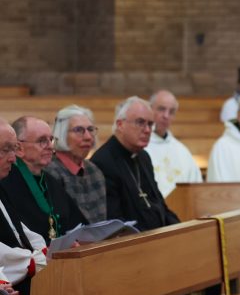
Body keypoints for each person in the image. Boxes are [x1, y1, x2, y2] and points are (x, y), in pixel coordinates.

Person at [91, 97, 180, 232]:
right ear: (120, 124)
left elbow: (159, 205)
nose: (147, 130)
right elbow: (115, 222)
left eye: (150, 124)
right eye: (140, 122)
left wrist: (182, 228)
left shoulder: (143, 157)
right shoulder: (103, 161)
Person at [0, 120, 47, 295]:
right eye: (5, 149)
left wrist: (42, 251)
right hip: (13, 282)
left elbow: (21, 229)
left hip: (9, 286)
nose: (12, 158)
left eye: (13, 148)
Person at [0, 116, 87, 241]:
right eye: (42, 141)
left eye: (51, 140)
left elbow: (77, 224)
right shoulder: (6, 180)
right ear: (19, 148)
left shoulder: (50, 180)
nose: (50, 147)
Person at [45, 105, 108, 223]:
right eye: (79, 130)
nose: (88, 137)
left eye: (90, 129)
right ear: (61, 134)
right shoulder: (50, 172)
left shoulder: (95, 171)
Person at [145, 90, 202, 198]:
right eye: (161, 109)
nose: (166, 116)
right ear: (150, 110)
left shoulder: (182, 151)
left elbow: (196, 188)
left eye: (171, 112)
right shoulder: (140, 147)